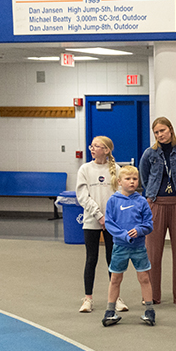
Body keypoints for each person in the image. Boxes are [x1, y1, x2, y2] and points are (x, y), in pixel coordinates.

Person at [139, 117, 176, 305]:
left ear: (171, 130)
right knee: (153, 252)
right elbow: (145, 179)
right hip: (156, 204)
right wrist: (152, 197)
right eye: (156, 132)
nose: (160, 135)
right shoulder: (149, 154)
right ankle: (151, 296)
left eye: (162, 131)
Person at [101, 165, 157, 327]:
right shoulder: (113, 201)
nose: (132, 182)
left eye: (135, 179)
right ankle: (110, 311)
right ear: (119, 181)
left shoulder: (142, 201)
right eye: (128, 179)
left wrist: (139, 230)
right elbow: (109, 224)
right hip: (120, 247)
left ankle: (149, 310)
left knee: (144, 278)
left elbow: (149, 224)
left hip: (139, 247)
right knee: (115, 278)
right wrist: (124, 235)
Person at [77, 135, 124, 314]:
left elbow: (120, 195)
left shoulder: (117, 169)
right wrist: (99, 216)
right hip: (91, 222)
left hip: (112, 222)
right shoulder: (85, 169)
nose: (92, 148)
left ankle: (115, 298)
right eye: (92, 146)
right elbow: (82, 196)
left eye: (96, 146)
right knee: (91, 259)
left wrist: (109, 218)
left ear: (106, 150)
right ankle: (88, 299)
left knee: (113, 260)